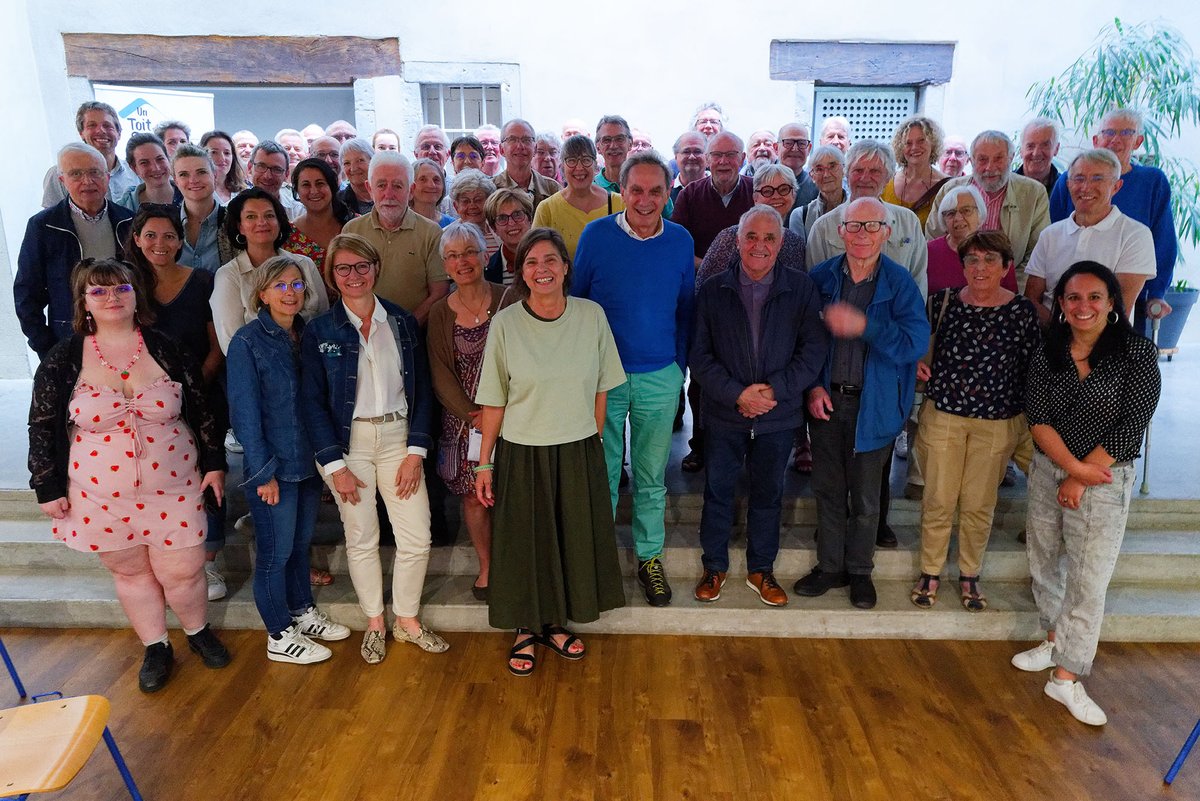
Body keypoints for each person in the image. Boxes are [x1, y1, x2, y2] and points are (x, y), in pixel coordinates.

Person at [28, 258, 230, 693]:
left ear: (136, 295)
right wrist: (45, 485)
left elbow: (202, 406)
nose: (111, 297)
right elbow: (42, 423)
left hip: (175, 487)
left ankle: (197, 632)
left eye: (120, 288)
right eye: (98, 291)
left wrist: (215, 462)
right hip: (99, 493)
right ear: (83, 302)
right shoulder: (63, 358)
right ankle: (156, 646)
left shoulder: (167, 346)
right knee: (131, 572)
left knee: (185, 570)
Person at [1012, 261, 1160, 726]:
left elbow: (1132, 423)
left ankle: (1066, 677)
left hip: (1104, 477)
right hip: (1050, 467)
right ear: (1060, 303)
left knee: (1088, 579)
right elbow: (1036, 418)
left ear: (1113, 302)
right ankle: (1054, 638)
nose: (1083, 306)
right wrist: (1069, 469)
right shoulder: (1047, 349)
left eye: (1095, 297)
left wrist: (1081, 475)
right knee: (1043, 558)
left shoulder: (1136, 353)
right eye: (1073, 297)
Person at [474, 227, 626, 675]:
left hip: (577, 448)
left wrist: (594, 439)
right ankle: (526, 628)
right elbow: (494, 399)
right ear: (521, 272)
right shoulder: (505, 324)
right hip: (522, 451)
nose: (542, 269)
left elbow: (602, 387)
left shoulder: (591, 316)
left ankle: (556, 624)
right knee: (525, 544)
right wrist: (485, 461)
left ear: (564, 267)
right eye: (531, 262)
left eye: (550, 260)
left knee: (568, 539)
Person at [301, 233, 449, 663]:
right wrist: (334, 465)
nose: (354, 275)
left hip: (399, 438)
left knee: (417, 536)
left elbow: (421, 389)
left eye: (362, 266)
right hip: (351, 446)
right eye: (343, 268)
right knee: (361, 536)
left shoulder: (401, 321)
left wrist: (416, 452)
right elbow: (311, 402)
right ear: (331, 275)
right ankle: (375, 622)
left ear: (375, 270)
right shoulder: (320, 330)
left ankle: (407, 620)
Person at [573, 151, 694, 607]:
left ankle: (649, 558)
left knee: (650, 475)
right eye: (636, 189)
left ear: (668, 194)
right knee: (600, 472)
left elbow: (686, 308)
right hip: (603, 378)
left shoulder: (680, 240)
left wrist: (677, 366)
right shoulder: (596, 235)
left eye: (656, 191)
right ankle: (599, 557)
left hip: (660, 376)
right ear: (620, 190)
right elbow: (577, 304)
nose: (645, 200)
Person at [795, 197, 928, 609]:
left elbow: (914, 343)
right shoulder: (819, 278)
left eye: (872, 227)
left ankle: (859, 571)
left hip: (876, 404)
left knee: (868, 499)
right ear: (841, 232)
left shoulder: (900, 282)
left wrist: (865, 326)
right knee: (829, 490)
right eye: (854, 226)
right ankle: (830, 567)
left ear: (887, 233)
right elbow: (805, 343)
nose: (862, 235)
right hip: (827, 402)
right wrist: (813, 388)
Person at [690, 205, 826, 606]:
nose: (760, 245)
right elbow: (699, 356)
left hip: (778, 415)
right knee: (717, 491)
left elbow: (813, 350)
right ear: (737, 240)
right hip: (724, 413)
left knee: (769, 493)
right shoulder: (714, 289)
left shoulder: (801, 289)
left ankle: (761, 569)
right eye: (751, 236)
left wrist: (773, 391)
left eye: (769, 238)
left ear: (781, 244)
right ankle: (713, 567)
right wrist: (737, 394)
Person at [226, 254, 351, 664]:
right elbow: (244, 414)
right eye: (279, 285)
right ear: (261, 293)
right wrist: (263, 473)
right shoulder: (247, 342)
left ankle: (301, 610)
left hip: (309, 462)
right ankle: (279, 633)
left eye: (297, 284)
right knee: (275, 552)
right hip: (274, 468)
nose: (289, 292)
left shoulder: (309, 334)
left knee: (299, 546)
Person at [910, 230, 1040, 612]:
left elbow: (1033, 366)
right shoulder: (942, 301)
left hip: (997, 422)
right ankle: (930, 571)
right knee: (937, 499)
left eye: (989, 260)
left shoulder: (1021, 311)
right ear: (962, 265)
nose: (980, 267)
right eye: (972, 260)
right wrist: (919, 362)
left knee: (979, 503)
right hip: (945, 415)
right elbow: (920, 349)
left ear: (1005, 266)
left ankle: (969, 574)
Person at [126, 203, 229, 598]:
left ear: (180, 239)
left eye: (169, 235)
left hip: (200, 395)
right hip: (146, 406)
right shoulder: (127, 286)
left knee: (209, 473)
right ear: (136, 239)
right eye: (150, 235)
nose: (160, 243)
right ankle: (162, 560)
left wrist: (193, 386)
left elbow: (217, 342)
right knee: (156, 479)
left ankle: (210, 561)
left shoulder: (203, 281)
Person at [427, 223, 517, 601]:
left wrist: (500, 413)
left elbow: (525, 359)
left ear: (485, 255)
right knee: (473, 497)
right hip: (465, 424)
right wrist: (475, 415)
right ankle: (487, 567)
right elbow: (441, 374)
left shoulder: (510, 299)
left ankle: (518, 564)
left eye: (469, 252)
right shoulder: (438, 313)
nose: (462, 261)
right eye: (453, 255)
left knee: (513, 494)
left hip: (513, 419)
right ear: (444, 265)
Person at [1048, 108, 1177, 336]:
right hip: (1072, 296)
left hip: (1130, 292)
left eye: (1126, 132)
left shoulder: (1152, 181)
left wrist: (1157, 293)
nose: (1116, 139)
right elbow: (1056, 233)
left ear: (1138, 141)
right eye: (1109, 132)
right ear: (1096, 140)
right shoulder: (1068, 181)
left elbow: (1163, 240)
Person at [17, 142, 135, 360]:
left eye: (94, 172)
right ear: (63, 181)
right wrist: (46, 347)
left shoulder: (128, 220)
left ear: (107, 177)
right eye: (76, 174)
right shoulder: (43, 226)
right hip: (68, 339)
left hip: (126, 335)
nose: (87, 181)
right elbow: (27, 293)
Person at [1024, 149, 1156, 327]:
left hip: (1107, 343)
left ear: (1116, 187)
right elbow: (1031, 299)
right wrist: (1059, 334)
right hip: (1049, 338)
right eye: (1079, 178)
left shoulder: (1135, 235)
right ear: (1069, 184)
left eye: (1097, 179)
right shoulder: (1050, 235)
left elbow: (1120, 307)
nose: (1086, 187)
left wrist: (1078, 341)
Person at [211, 188, 329, 353]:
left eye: (269, 215)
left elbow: (325, 322)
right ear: (240, 227)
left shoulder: (305, 264)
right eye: (251, 216)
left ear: (279, 222)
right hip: (260, 372)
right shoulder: (228, 276)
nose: (262, 222)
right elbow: (231, 345)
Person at [808, 140, 928, 297]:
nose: (865, 178)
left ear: (889, 177)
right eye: (858, 170)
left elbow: (918, 283)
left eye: (875, 171)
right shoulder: (823, 227)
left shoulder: (909, 222)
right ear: (846, 174)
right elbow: (813, 288)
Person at [342, 151, 449, 326]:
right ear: (369, 188)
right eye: (381, 185)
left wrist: (405, 327)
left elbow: (439, 292)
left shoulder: (431, 233)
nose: (389, 194)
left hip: (414, 336)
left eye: (398, 186)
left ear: (411, 190)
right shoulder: (352, 231)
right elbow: (345, 285)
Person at [925, 130, 1049, 272]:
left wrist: (1012, 289)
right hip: (954, 282)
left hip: (1010, 286)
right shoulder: (950, 190)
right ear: (971, 161)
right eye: (982, 159)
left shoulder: (1034, 193)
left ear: (1011, 158)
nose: (990, 167)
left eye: (998, 159)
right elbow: (933, 241)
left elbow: (1037, 254)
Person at [531, 135, 625, 260]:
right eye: (571, 160)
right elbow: (536, 257)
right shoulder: (547, 209)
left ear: (595, 165)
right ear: (562, 166)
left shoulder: (619, 203)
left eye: (586, 160)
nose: (579, 168)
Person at [672, 131, 754, 266]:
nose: (723, 161)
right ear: (707, 159)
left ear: (742, 158)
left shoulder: (756, 190)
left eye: (731, 154)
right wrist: (710, 268)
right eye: (716, 155)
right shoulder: (689, 194)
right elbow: (677, 246)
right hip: (701, 277)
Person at [42, 101, 139, 207]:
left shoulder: (135, 172)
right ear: (81, 133)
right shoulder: (59, 174)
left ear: (119, 133)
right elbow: (51, 219)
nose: (101, 130)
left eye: (107, 125)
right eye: (92, 125)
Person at [927, 185, 1017, 294]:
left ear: (979, 214)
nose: (958, 218)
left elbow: (1012, 298)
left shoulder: (998, 250)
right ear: (943, 220)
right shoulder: (928, 252)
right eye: (950, 213)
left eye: (966, 210)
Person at [173, 144, 233, 275]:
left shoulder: (234, 222)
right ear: (176, 181)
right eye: (184, 174)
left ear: (215, 175)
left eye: (201, 172)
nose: (193, 180)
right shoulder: (166, 224)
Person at [882, 115, 951, 228]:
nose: (914, 147)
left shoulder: (946, 187)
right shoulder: (886, 182)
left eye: (921, 141)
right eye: (908, 143)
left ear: (933, 144)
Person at [287, 157, 355, 267]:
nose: (314, 191)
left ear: (331, 186)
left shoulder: (357, 225)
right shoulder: (289, 235)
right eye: (306, 185)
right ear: (297, 191)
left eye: (320, 183)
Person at [493, 118, 562, 211]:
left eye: (526, 140)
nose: (520, 146)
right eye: (512, 139)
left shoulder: (552, 189)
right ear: (501, 150)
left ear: (535, 148)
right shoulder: (491, 189)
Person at [117, 133, 183, 212]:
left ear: (168, 159)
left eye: (160, 159)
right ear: (134, 168)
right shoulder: (123, 209)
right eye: (144, 162)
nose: (156, 168)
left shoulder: (191, 195)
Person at [794, 145, 846, 237]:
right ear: (812, 176)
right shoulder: (801, 216)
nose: (826, 175)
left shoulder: (859, 210)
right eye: (819, 169)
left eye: (832, 167)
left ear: (844, 170)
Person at [484, 188, 533, 286]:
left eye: (517, 214)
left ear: (530, 219)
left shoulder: (551, 259)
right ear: (494, 228)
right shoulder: (488, 271)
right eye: (502, 218)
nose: (511, 223)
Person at [449, 169, 501, 259]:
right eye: (465, 201)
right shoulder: (447, 236)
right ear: (456, 206)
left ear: (489, 202)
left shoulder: (501, 232)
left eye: (478, 200)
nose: (472, 206)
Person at [247, 141, 303, 221]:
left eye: (277, 169)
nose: (267, 176)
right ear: (249, 167)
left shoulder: (299, 213)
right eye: (261, 166)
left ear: (286, 174)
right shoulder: (233, 209)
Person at [777, 122, 819, 211]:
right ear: (776, 147)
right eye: (788, 143)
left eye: (802, 143)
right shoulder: (762, 183)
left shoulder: (817, 186)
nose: (795, 149)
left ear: (809, 149)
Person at [1015, 118, 1061, 195]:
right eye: (1030, 146)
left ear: (1056, 149)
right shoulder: (1005, 187)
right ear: (1021, 150)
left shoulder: (1066, 189)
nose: (1036, 153)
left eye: (1045, 145)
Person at [200, 130, 247, 205]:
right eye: (214, 152)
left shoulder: (244, 191)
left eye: (227, 153)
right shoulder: (196, 190)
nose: (222, 158)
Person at [594, 115, 632, 195]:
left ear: (630, 144)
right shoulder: (590, 189)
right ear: (598, 147)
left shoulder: (644, 184)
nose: (613, 146)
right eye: (607, 140)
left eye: (620, 139)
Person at [409, 157, 453, 227]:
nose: (431, 185)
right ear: (410, 186)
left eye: (436, 180)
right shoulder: (398, 224)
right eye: (423, 179)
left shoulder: (451, 225)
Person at [338, 138, 375, 216]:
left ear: (372, 161)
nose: (353, 168)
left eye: (360, 160)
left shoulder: (387, 194)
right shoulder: (338, 202)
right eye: (347, 163)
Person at [671, 131, 708, 203]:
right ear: (676, 156)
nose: (692, 157)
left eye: (697, 151)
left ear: (707, 157)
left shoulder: (721, 189)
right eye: (686, 152)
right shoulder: (665, 192)